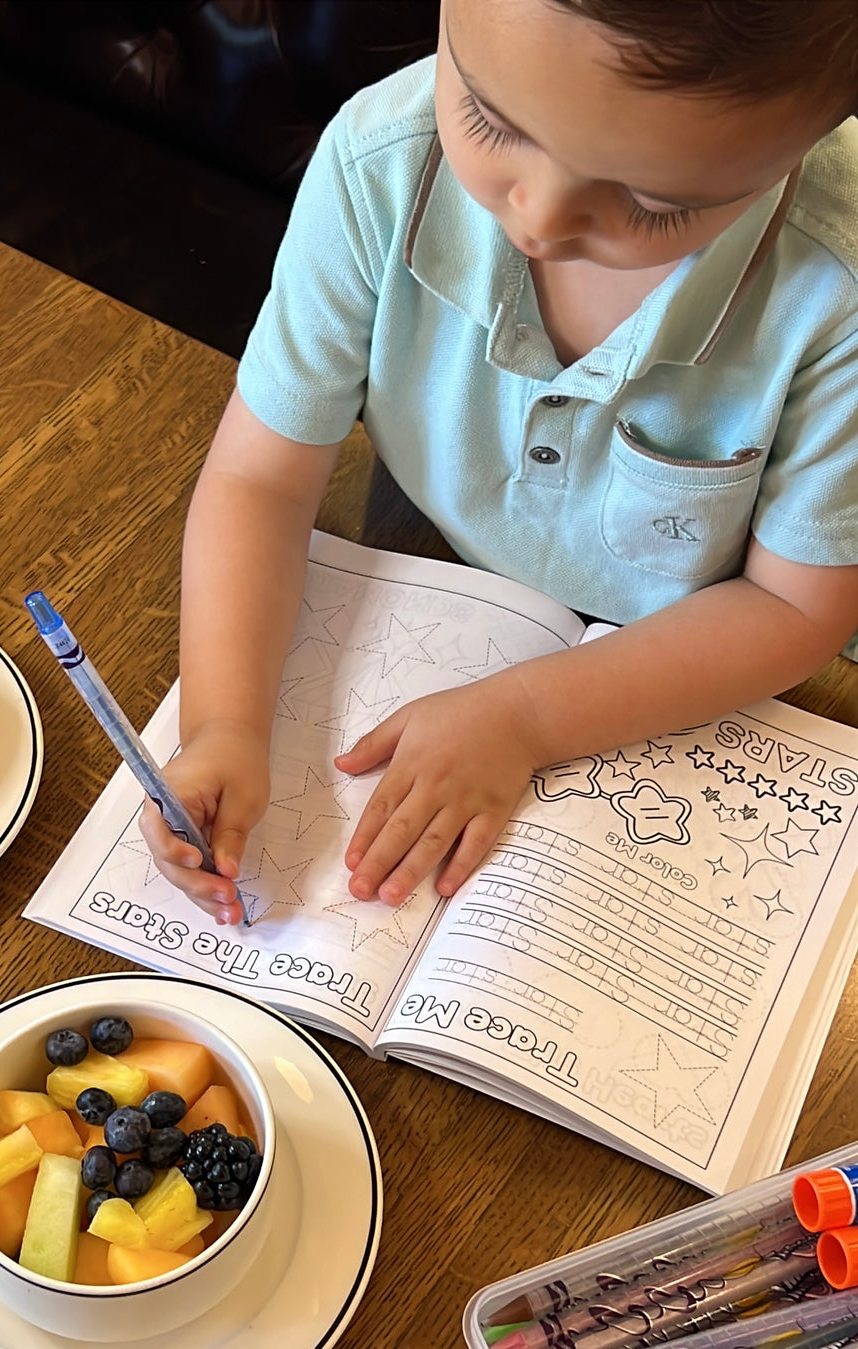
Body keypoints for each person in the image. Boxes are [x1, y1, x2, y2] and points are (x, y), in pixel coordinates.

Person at [141, 0, 858, 928]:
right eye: (487, 117)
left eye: (653, 204)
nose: (539, 215)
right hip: (435, 552)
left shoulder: (835, 290)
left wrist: (525, 717)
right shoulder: (378, 164)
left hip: (714, 672)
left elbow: (798, 608)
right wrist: (223, 724)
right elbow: (259, 478)